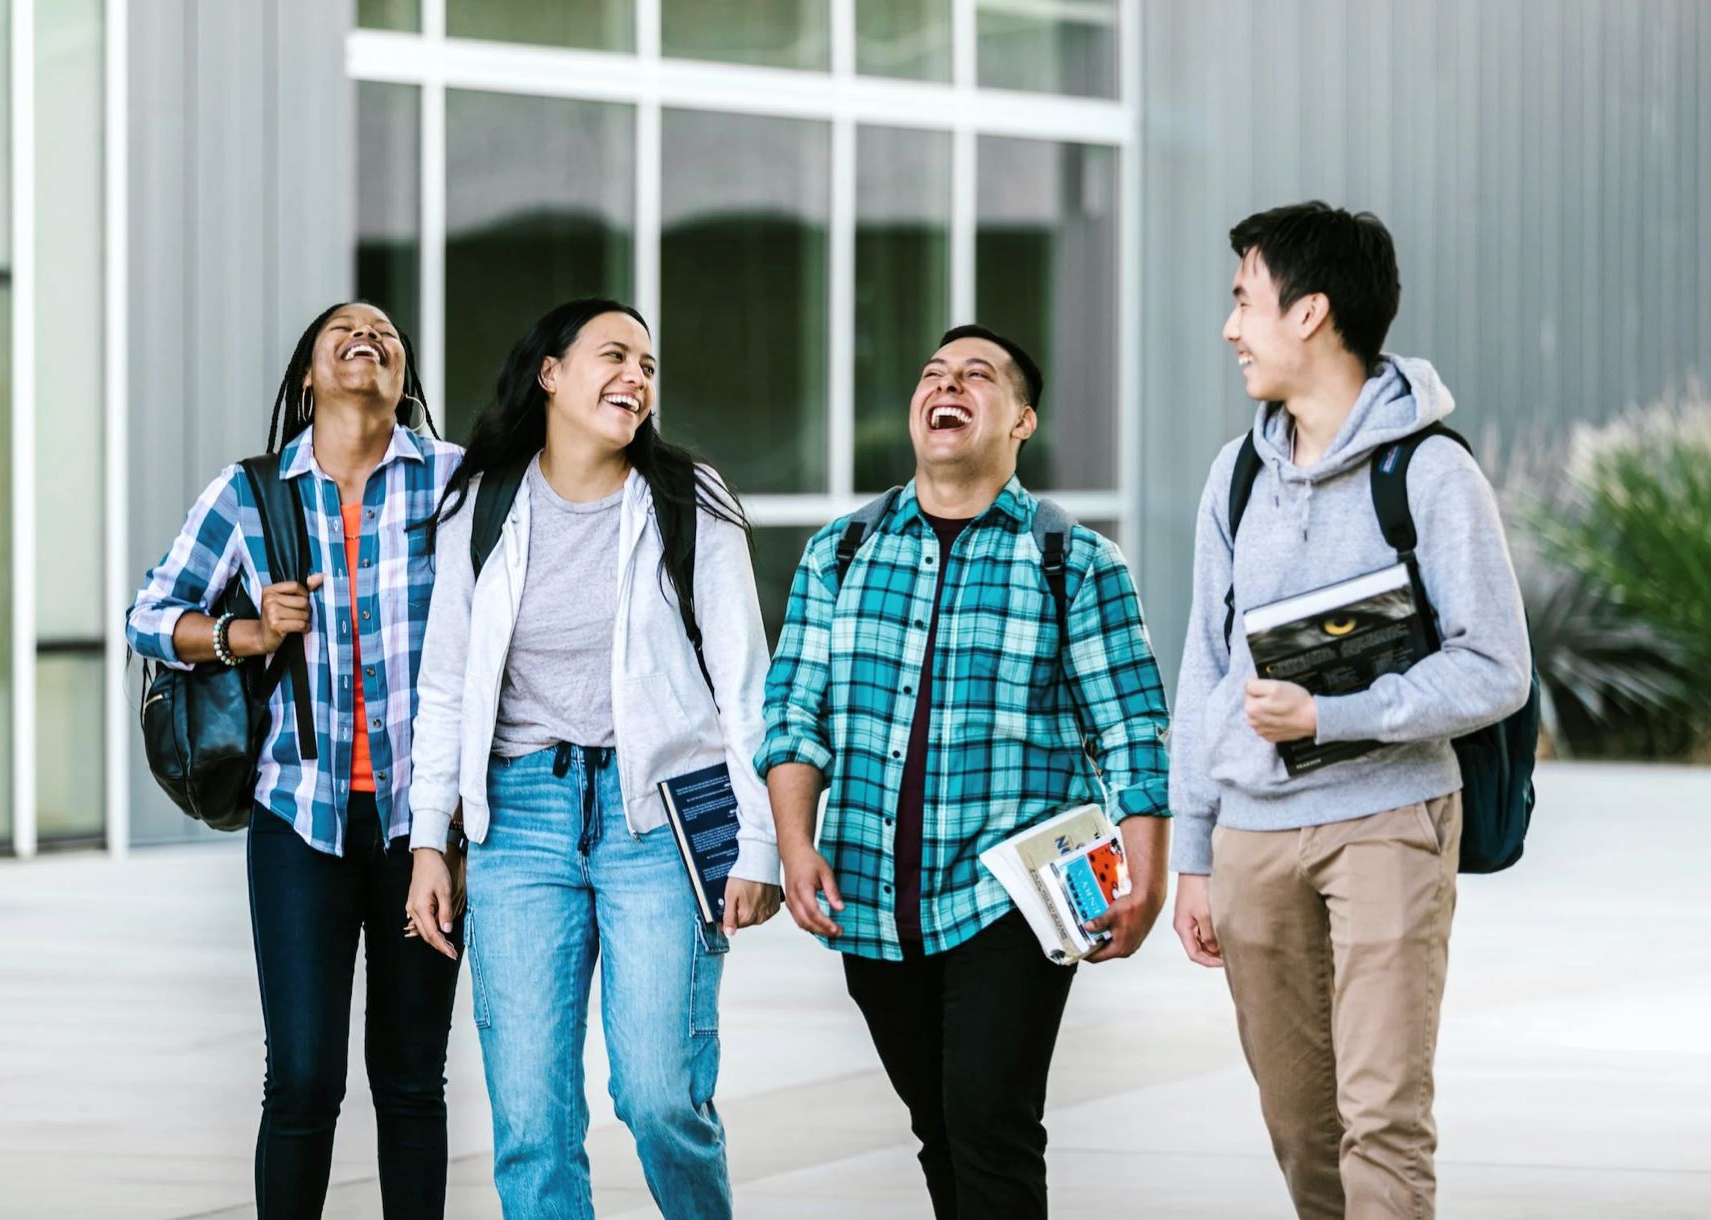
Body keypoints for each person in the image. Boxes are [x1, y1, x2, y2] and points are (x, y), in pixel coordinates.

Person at [1168, 202, 1532, 1219]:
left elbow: (1496, 667)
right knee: (1300, 1125)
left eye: (1244, 302)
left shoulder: (1431, 470)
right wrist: (1194, 849)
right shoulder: (1236, 474)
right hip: (1249, 836)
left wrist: (1333, 717)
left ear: (1310, 312)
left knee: (1382, 1115)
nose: (1231, 328)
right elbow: (1203, 666)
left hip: (1388, 822)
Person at [758, 324, 1171, 1219]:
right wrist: (795, 844)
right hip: (873, 899)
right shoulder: (840, 552)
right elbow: (793, 716)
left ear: (1021, 420)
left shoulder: (1075, 562)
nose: (946, 386)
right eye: (933, 373)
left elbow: (1134, 732)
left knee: (991, 1122)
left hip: (1016, 897)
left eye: (976, 375)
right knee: (940, 1128)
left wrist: (1147, 880)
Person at [403, 298, 783, 1219]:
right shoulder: (483, 503)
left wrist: (761, 843)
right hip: (519, 818)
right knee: (532, 1123)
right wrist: (428, 839)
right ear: (550, 374)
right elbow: (445, 684)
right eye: (614, 356)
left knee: (660, 1098)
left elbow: (745, 685)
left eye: (647, 366)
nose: (636, 378)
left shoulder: (689, 498)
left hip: (660, 818)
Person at [126, 301, 465, 1219]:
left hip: (424, 829)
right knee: (303, 1080)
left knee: (411, 1080)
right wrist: (245, 632)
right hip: (298, 818)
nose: (368, 337)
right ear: (308, 378)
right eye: (342, 331)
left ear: (403, 378)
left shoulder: (454, 482)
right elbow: (149, 615)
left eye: (385, 334)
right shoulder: (249, 493)